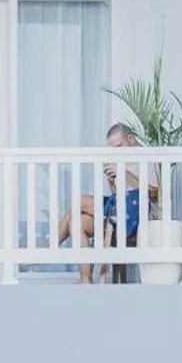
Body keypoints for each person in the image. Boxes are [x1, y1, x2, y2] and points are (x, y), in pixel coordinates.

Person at [54, 122, 143, 284]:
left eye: (119, 146)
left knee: (79, 201)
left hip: (132, 214)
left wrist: (123, 172)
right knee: (76, 221)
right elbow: (117, 196)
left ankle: (51, 245)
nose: (116, 152)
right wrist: (112, 180)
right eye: (113, 149)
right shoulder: (123, 161)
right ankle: (86, 279)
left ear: (130, 139)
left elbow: (154, 192)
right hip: (117, 210)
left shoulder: (149, 157)